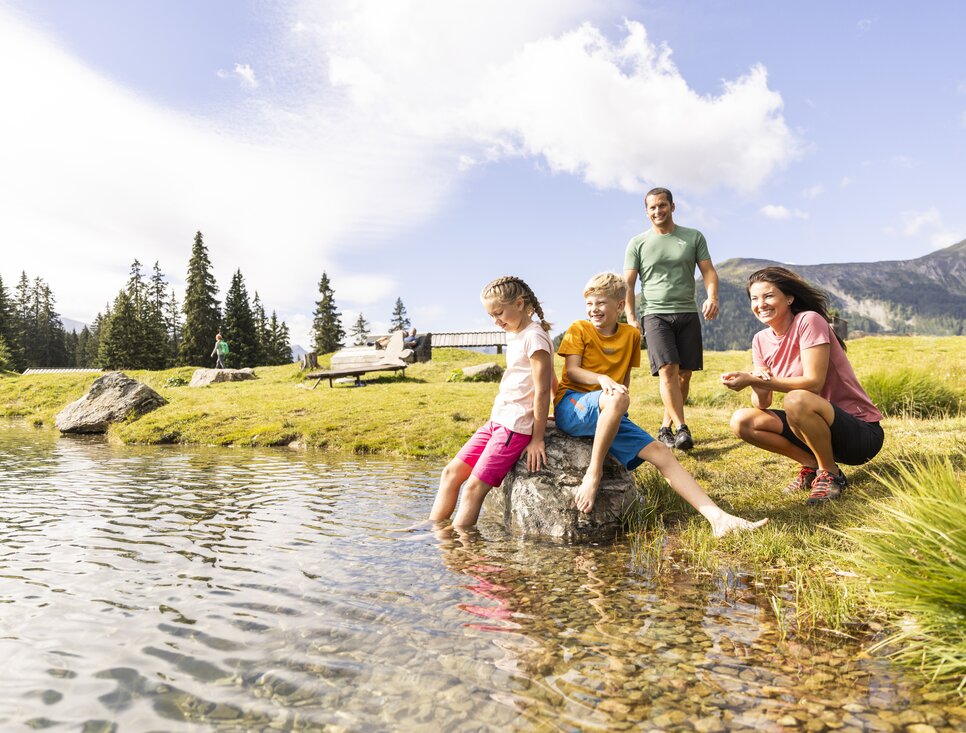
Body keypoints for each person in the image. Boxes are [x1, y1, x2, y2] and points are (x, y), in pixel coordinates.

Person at [554, 272, 766, 538]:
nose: (593, 309)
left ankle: (719, 519)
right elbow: (572, 371)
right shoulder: (579, 328)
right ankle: (593, 474)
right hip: (572, 404)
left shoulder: (631, 335)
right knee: (617, 398)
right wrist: (602, 380)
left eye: (601, 303)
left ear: (619, 306)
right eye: (589, 303)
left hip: (611, 406)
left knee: (661, 452)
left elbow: (624, 379)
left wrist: (617, 409)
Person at [721, 267, 885, 505]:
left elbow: (813, 383)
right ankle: (811, 464)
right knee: (742, 420)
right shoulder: (760, 340)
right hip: (814, 431)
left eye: (768, 296)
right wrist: (755, 381)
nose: (761, 304)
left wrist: (753, 379)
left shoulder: (808, 320)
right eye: (754, 299)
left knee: (796, 399)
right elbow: (763, 403)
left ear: (789, 298)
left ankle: (831, 473)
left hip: (859, 434)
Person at [429, 276, 555, 527]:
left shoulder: (535, 337)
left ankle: (459, 543)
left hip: (514, 427)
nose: (496, 321)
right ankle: (432, 531)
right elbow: (553, 380)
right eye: (491, 315)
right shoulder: (514, 333)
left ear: (519, 303)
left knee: (473, 488)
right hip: (497, 420)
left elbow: (543, 389)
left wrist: (538, 438)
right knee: (450, 473)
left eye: (499, 313)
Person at [624, 187, 719, 451]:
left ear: (672, 207)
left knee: (684, 375)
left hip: (687, 311)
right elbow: (628, 284)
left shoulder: (693, 237)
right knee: (667, 369)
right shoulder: (637, 243)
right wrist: (631, 317)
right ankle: (682, 427)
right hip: (654, 313)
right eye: (652, 207)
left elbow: (709, 272)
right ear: (646, 212)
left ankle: (665, 428)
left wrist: (712, 297)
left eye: (662, 205)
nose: (658, 211)